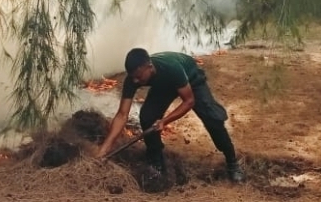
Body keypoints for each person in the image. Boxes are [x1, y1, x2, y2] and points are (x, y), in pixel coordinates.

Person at [96, 48, 245, 183]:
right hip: (164, 85)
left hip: (191, 80)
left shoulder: (171, 69)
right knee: (148, 117)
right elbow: (122, 115)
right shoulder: (133, 79)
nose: (136, 81)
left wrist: (164, 121)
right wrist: (105, 148)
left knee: (213, 119)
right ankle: (156, 163)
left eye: (139, 77)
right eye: (133, 77)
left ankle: (232, 163)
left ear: (149, 66)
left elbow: (189, 101)